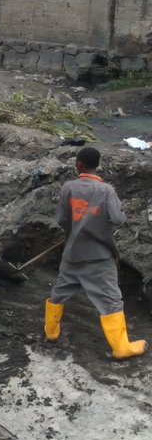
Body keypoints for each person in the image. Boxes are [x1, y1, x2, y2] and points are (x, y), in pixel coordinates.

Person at [44, 147, 146, 360]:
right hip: (98, 257)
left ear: (79, 164)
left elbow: (62, 219)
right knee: (110, 299)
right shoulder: (106, 190)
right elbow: (118, 220)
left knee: (59, 292)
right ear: (96, 165)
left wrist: (76, 226)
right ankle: (121, 348)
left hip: (72, 254)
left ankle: (51, 333)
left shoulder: (69, 188)